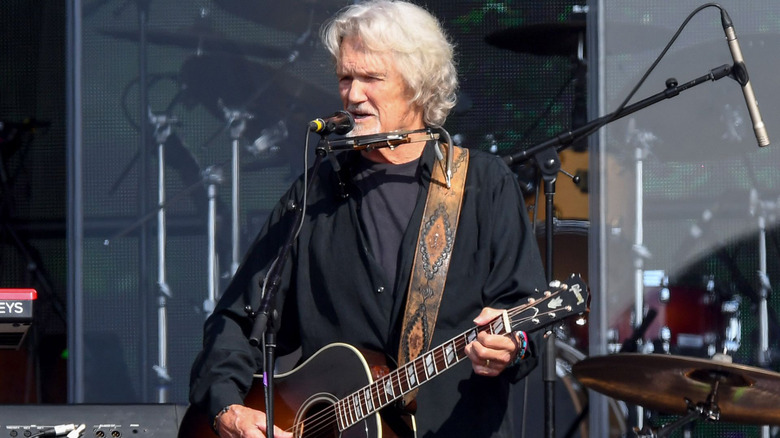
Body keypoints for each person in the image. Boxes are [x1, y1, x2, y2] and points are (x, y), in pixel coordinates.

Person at [188, 1, 547, 437]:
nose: (353, 95)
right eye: (345, 78)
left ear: (417, 85)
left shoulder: (482, 185)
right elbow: (240, 320)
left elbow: (526, 313)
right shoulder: (314, 195)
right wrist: (227, 406)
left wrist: (512, 344)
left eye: (371, 79)